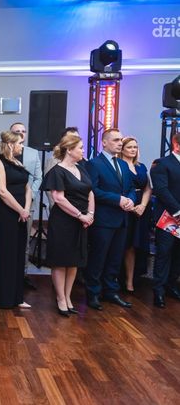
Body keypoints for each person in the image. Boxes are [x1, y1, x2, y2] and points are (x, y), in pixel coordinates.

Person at [41, 135, 94, 316]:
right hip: (64, 221)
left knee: (74, 261)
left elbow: (90, 192)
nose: (83, 150)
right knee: (61, 260)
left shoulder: (81, 168)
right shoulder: (57, 171)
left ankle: (68, 297)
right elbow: (58, 198)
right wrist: (80, 215)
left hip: (81, 220)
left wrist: (90, 215)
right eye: (80, 148)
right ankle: (60, 298)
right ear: (69, 150)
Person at [85, 128, 136, 311]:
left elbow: (130, 188)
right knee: (98, 258)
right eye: (115, 140)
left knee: (115, 258)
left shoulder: (123, 164)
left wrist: (131, 200)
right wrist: (117, 199)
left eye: (120, 140)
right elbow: (93, 190)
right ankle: (93, 293)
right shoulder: (94, 164)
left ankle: (110, 291)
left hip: (122, 218)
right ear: (104, 142)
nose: (120, 143)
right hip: (103, 219)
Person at [0, 131, 32, 309]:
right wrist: (20, 210)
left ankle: (17, 297)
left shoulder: (18, 162)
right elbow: (2, 191)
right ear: (10, 144)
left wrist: (26, 209)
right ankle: (4, 298)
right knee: (6, 254)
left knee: (18, 253)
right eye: (20, 143)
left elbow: (27, 188)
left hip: (22, 214)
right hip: (6, 214)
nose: (22, 146)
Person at [10, 122, 42, 290]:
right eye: (17, 131)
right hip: (8, 203)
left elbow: (38, 178)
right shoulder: (1, 154)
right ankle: (8, 275)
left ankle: (23, 275)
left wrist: (31, 196)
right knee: (9, 241)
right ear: (10, 134)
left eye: (23, 131)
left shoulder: (33, 153)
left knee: (25, 242)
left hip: (28, 204)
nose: (21, 134)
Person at [150, 133, 180, 308]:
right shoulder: (162, 164)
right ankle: (158, 291)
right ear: (176, 144)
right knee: (164, 253)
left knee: (178, 255)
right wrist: (178, 211)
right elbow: (161, 190)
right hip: (168, 218)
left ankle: (171, 285)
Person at [120, 137, 152, 293]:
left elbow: (148, 188)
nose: (133, 150)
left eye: (135, 147)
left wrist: (143, 206)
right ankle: (120, 279)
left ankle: (131, 281)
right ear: (122, 149)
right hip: (125, 206)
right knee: (125, 244)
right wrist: (132, 207)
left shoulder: (141, 166)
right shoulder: (119, 165)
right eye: (129, 147)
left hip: (142, 208)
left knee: (135, 245)